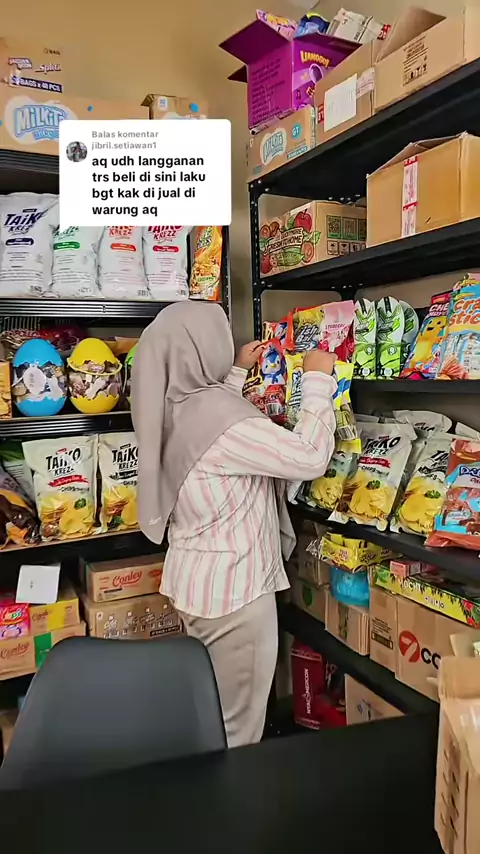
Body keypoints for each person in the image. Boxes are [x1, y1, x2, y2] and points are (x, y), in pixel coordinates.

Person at [131, 301, 336, 747]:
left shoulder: (171, 404)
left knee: (208, 707)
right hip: (234, 595)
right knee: (236, 729)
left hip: (195, 584)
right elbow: (309, 457)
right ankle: (230, 793)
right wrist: (318, 380)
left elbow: (214, 429)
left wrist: (236, 372)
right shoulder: (221, 423)